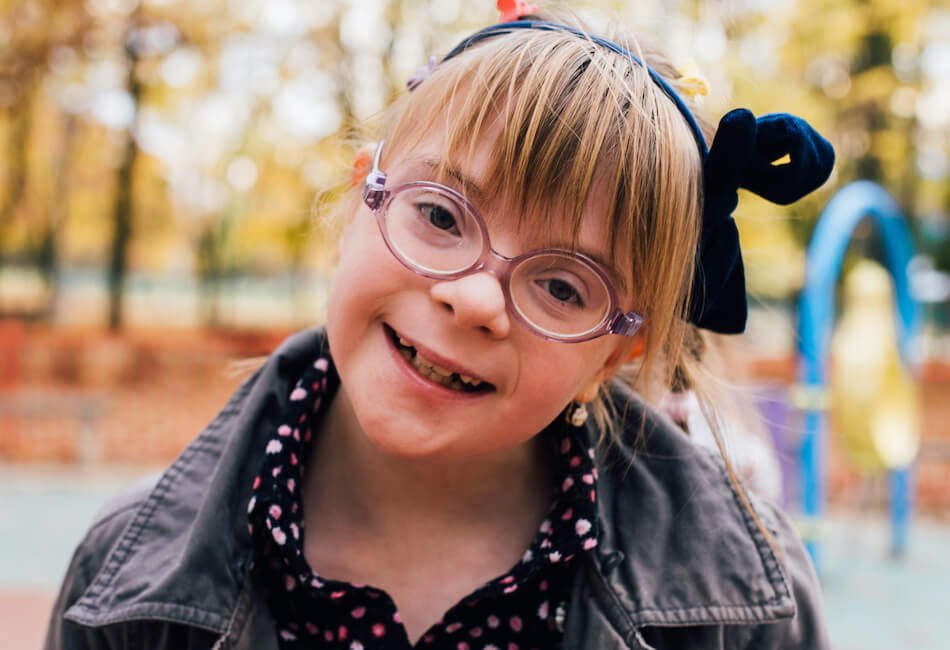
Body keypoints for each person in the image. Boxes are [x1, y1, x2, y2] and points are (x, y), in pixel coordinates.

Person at [46, 3, 835, 649]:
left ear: (617, 354)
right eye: (439, 215)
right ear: (363, 198)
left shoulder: (747, 610)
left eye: (563, 285)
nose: (475, 299)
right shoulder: (126, 579)